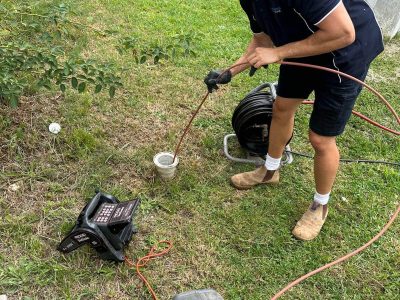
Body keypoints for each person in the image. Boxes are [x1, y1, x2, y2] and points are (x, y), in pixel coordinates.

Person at [204, 0, 383, 240]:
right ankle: (269, 171)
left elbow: (343, 32)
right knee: (282, 108)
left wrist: (278, 53)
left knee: (320, 139)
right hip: (302, 49)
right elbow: (262, 41)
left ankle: (320, 205)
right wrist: (229, 72)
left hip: (344, 54)